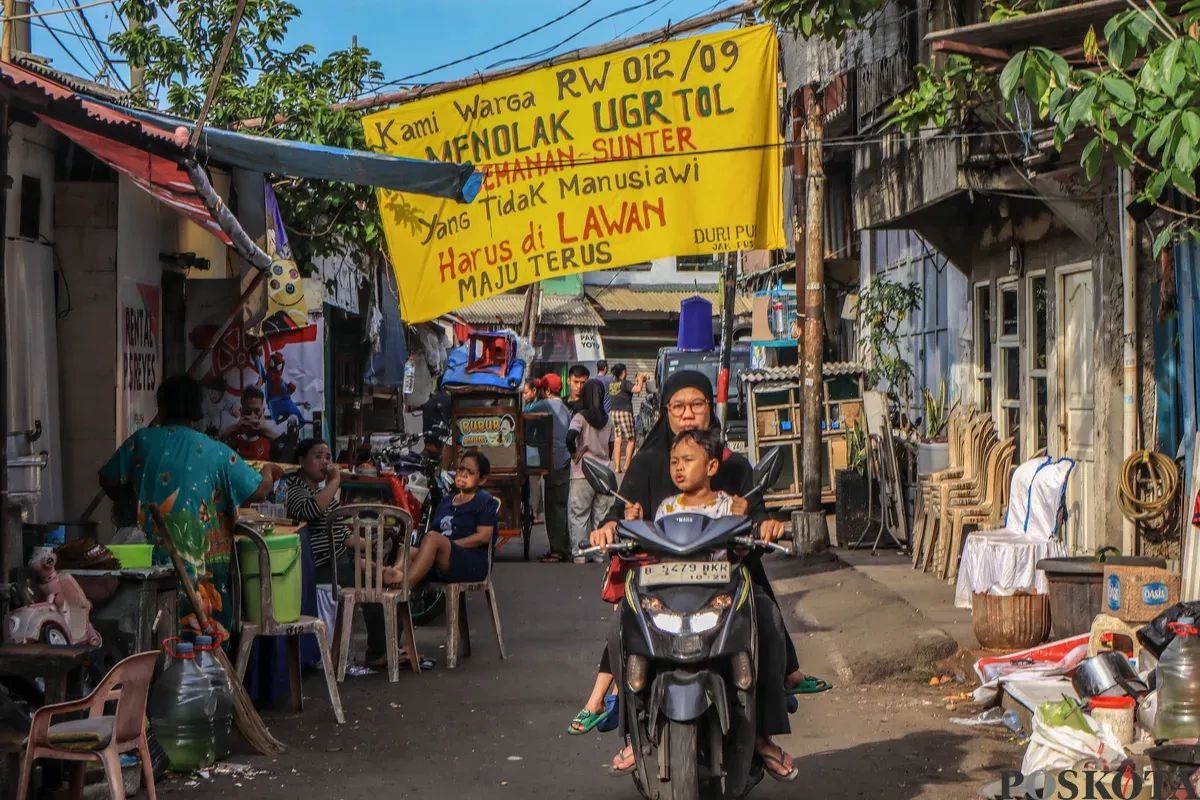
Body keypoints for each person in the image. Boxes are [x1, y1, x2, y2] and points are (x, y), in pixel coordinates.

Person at [586, 371, 803, 778]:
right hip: (662, 583)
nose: (687, 415)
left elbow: (758, 514)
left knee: (767, 620)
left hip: (726, 580)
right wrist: (611, 526)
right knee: (622, 624)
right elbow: (620, 512)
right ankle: (633, 731)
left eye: (697, 404)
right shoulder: (649, 463)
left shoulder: (735, 467)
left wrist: (766, 524)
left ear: (710, 409)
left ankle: (763, 734)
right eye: (678, 407)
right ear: (665, 412)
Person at [99, 375, 283, 643]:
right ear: (197, 409)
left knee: (145, 637)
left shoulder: (141, 441)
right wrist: (268, 470)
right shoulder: (217, 451)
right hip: (202, 568)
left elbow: (107, 479)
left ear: (161, 408)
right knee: (204, 640)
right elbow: (259, 490)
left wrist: (128, 496)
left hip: (145, 562)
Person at [383, 450, 498, 587]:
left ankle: (405, 584)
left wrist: (449, 545)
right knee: (406, 550)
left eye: (471, 472)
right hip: (442, 555)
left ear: (482, 479)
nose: (463, 474)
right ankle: (395, 574)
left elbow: (483, 537)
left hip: (472, 561)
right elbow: (434, 533)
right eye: (461, 469)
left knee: (433, 538)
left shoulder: (483, 500)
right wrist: (435, 547)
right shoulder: (446, 501)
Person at [567, 379, 614, 563]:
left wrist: (574, 454)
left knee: (579, 516)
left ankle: (580, 554)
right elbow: (610, 446)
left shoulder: (580, 417)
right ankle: (600, 554)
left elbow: (570, 438)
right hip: (603, 474)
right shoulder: (608, 420)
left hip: (582, 473)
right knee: (600, 516)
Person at [527, 374, 572, 563]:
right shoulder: (565, 408)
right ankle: (563, 547)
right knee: (561, 506)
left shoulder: (544, 405)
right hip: (566, 461)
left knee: (554, 508)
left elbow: (525, 418)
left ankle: (558, 550)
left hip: (553, 462)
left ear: (546, 391)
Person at [220, 385, 279, 461]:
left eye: (256, 411)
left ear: (263, 411)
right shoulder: (233, 437)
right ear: (241, 412)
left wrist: (266, 431)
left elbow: (289, 453)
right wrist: (235, 428)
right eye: (248, 411)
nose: (252, 416)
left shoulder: (270, 440)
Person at [607, 364, 647, 473]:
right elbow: (638, 389)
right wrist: (640, 380)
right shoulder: (625, 383)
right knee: (631, 439)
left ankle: (616, 467)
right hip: (624, 412)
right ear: (624, 372)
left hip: (613, 412)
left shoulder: (612, 384)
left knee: (618, 439)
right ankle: (627, 465)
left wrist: (638, 381)